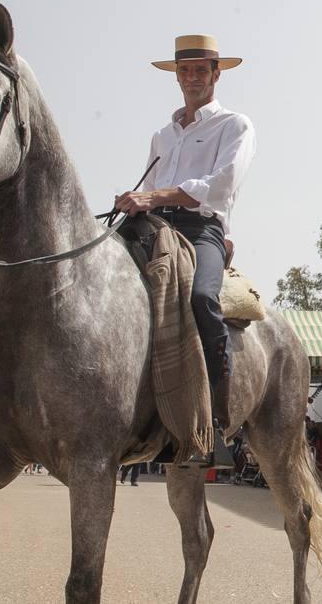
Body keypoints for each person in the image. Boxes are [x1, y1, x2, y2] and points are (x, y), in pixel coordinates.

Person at [115, 33, 256, 435]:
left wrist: (154, 195)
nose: (192, 77)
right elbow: (150, 185)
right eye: (184, 70)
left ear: (216, 74)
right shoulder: (163, 135)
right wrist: (134, 200)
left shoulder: (235, 125)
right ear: (176, 76)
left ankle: (215, 415)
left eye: (200, 70)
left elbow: (221, 186)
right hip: (154, 226)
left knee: (200, 297)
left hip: (201, 228)